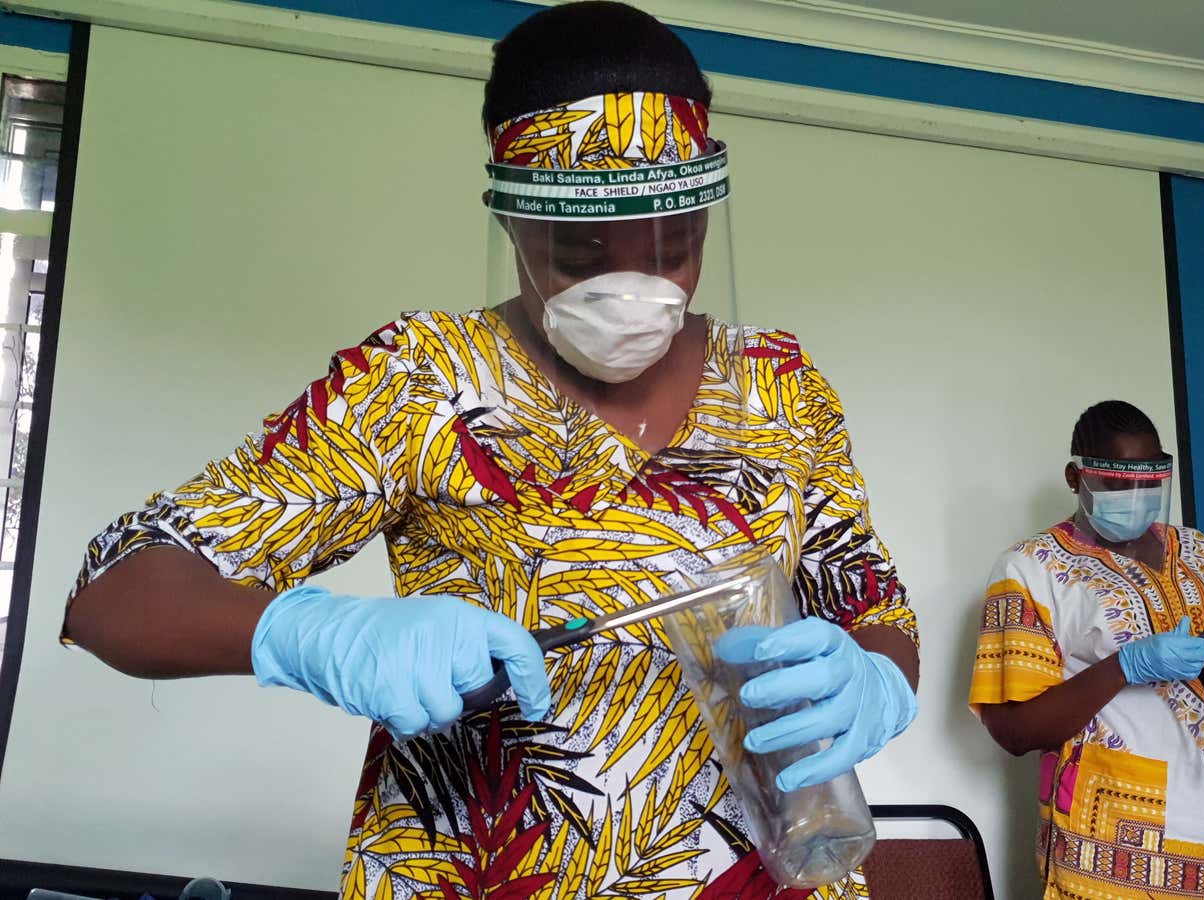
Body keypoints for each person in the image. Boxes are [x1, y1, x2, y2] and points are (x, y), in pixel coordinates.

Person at [61, 4, 919, 898]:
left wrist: (877, 681)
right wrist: (306, 634)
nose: (634, 291)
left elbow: (874, 605)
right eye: (581, 251)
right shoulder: (423, 380)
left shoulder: (781, 383)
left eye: (675, 244)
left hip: (771, 873)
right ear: (509, 222)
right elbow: (113, 598)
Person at [969, 400, 1204, 899]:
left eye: (1147, 483)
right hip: (1116, 850)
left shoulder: (1203, 555)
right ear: (1074, 477)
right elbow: (1014, 729)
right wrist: (1127, 665)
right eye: (1117, 482)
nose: (1135, 495)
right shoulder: (1030, 568)